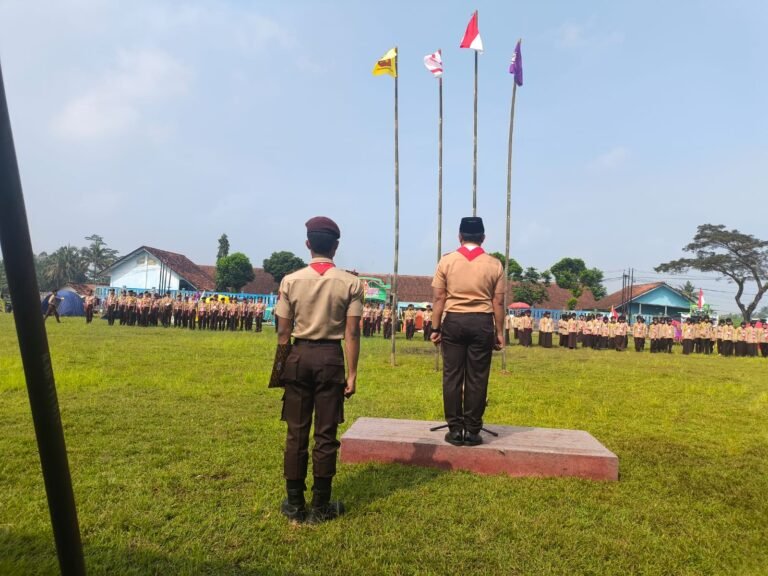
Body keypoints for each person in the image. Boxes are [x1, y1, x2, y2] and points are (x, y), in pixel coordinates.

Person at [273, 216, 363, 524]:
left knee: (296, 432)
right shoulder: (351, 283)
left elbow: (283, 333)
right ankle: (321, 506)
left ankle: (295, 504)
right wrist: (352, 374)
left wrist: (280, 370)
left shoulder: (290, 280)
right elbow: (352, 333)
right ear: (336, 246)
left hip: (298, 356)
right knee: (326, 433)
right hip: (330, 359)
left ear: (308, 244)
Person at [430, 216, 505, 447]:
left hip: (454, 321)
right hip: (482, 322)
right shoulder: (495, 264)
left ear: (460, 236)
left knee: (452, 376)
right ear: (483, 238)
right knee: (477, 377)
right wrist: (499, 332)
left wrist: (435, 327)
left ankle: (454, 430)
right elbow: (498, 302)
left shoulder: (447, 261)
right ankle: (473, 430)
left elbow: (438, 297)